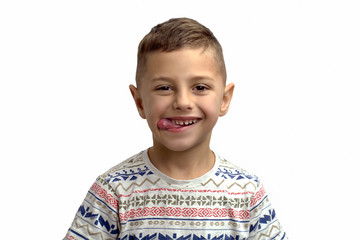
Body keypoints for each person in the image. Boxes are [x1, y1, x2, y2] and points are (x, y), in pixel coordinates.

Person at [64, 17, 287, 240]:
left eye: (200, 87)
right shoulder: (112, 191)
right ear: (140, 103)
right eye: (164, 87)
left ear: (224, 99)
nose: (182, 102)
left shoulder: (247, 192)